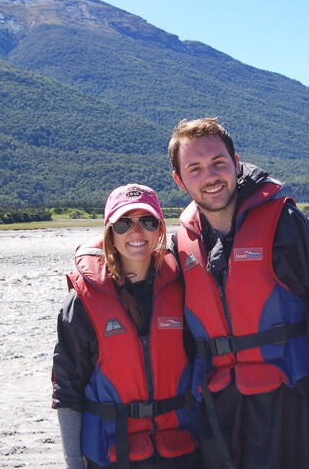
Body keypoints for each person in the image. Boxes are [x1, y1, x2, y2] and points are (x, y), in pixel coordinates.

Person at [167, 118, 309, 469]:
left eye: (218, 163)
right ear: (179, 180)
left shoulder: (286, 225)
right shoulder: (180, 245)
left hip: (295, 405)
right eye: (194, 168)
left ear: (236, 163)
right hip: (219, 415)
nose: (210, 176)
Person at [51, 184, 200, 469]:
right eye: (123, 223)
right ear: (110, 233)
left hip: (181, 449)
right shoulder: (83, 302)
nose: (136, 232)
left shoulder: (183, 287)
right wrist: (73, 462)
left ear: (159, 230)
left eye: (147, 221)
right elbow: (67, 389)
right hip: (111, 452)